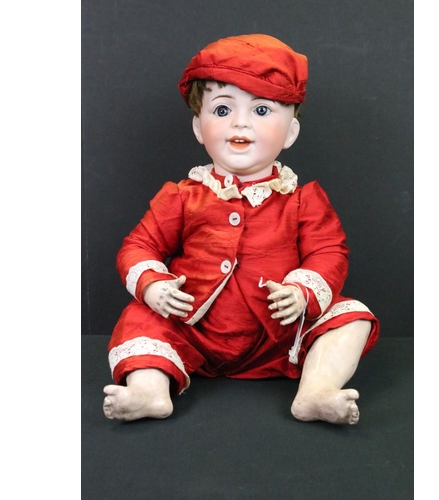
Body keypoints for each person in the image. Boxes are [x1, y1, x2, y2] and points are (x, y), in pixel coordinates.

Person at [103, 34, 380, 425]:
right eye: (222, 109)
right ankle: (149, 391)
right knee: (140, 316)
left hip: (277, 336)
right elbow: (139, 245)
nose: (240, 122)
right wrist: (153, 285)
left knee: (353, 317)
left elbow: (328, 252)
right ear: (199, 128)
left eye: (262, 110)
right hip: (192, 330)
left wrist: (302, 293)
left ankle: (316, 391)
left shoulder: (302, 200)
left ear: (291, 133)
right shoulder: (182, 196)